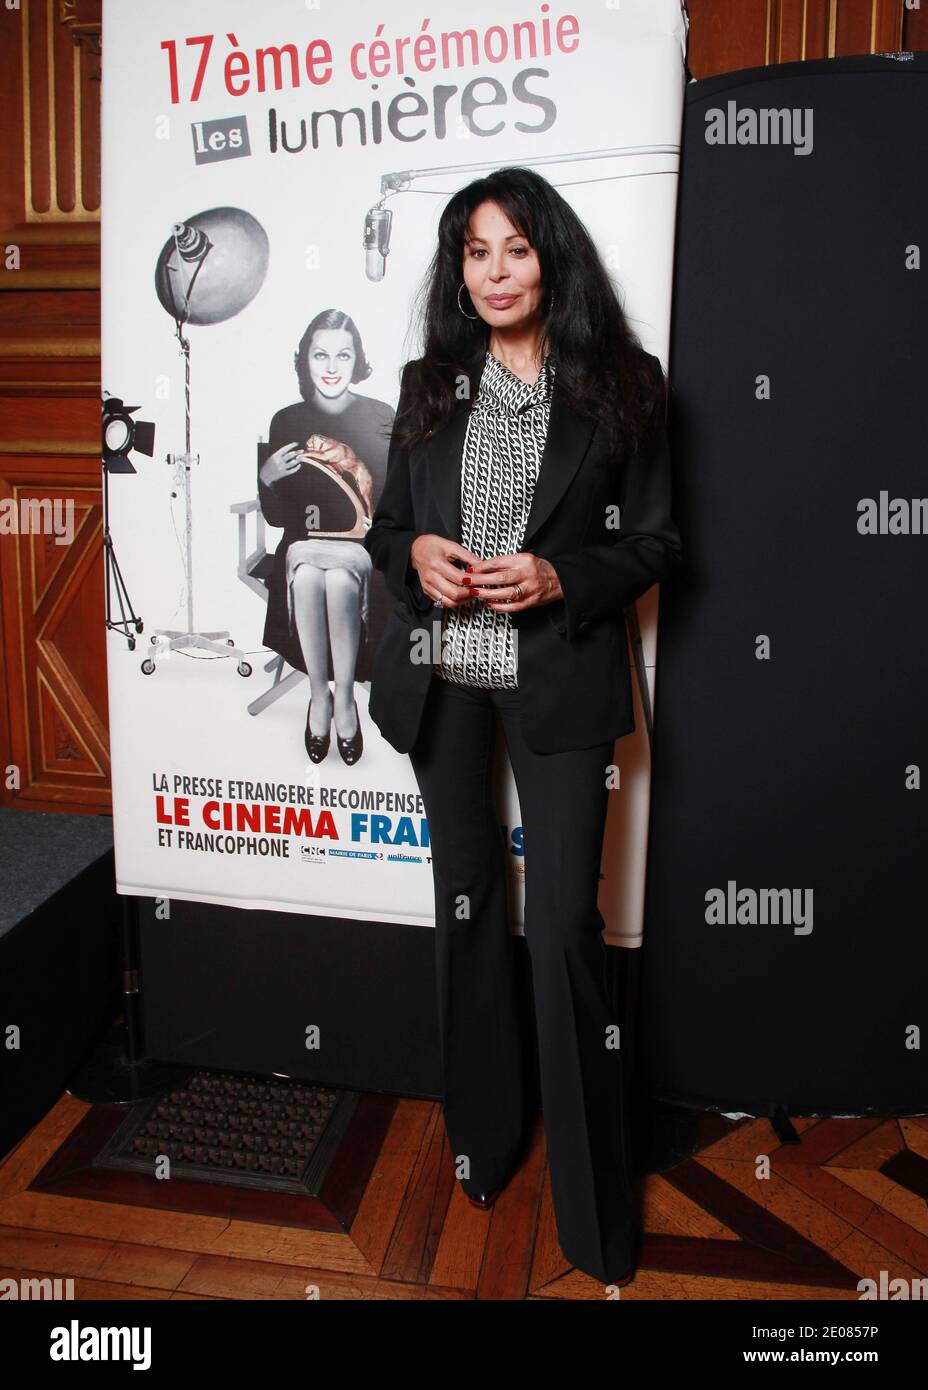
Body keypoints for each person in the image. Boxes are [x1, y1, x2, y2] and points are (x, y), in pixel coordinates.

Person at [363, 167, 682, 1286]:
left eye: (514, 250)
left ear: (552, 258)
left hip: (557, 675)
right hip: (442, 676)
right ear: (458, 269)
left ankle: (594, 1214)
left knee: (560, 933)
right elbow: (386, 527)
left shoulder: (622, 387)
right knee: (466, 907)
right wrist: (410, 554)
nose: (494, 273)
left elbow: (655, 546)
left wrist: (558, 574)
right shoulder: (428, 384)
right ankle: (484, 1140)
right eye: (473, 252)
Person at [259, 310, 394, 765]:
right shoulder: (286, 420)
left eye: (343, 354)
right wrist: (267, 479)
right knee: (312, 577)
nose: (332, 366)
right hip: (302, 548)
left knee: (336, 579)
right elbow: (279, 520)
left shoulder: (380, 415)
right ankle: (325, 696)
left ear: (357, 360)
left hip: (361, 550)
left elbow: (391, 508)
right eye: (321, 354)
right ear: (307, 361)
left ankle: (341, 700)